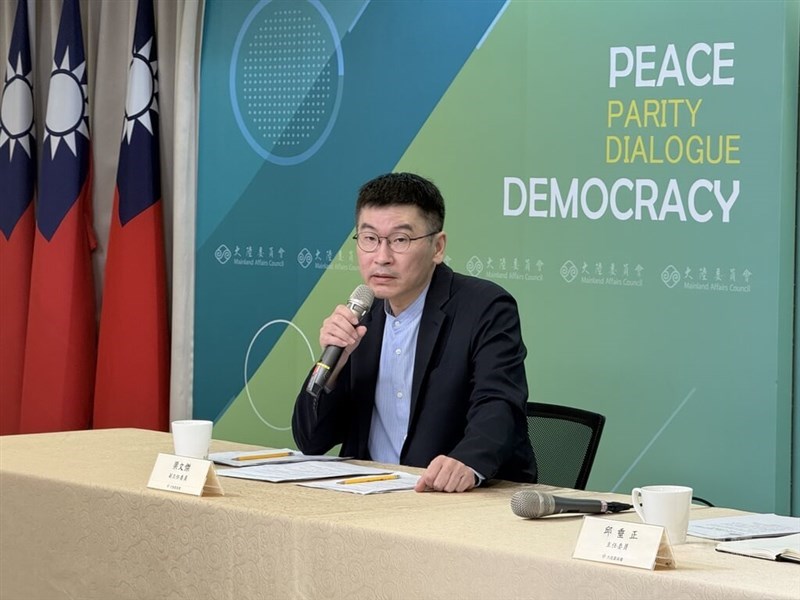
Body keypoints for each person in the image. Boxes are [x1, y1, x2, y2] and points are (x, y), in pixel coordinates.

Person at [292, 172, 537, 492]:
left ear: (438, 247)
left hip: (449, 498)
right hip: (368, 497)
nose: (382, 257)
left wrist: (467, 462)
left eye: (400, 240)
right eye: (369, 238)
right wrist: (333, 370)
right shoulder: (360, 317)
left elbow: (499, 404)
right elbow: (311, 440)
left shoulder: (485, 308)